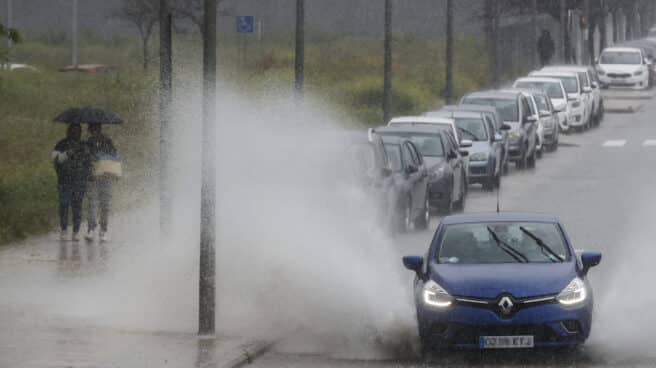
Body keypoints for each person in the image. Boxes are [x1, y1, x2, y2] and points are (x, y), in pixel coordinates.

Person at [52, 123, 90, 241]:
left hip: (79, 181)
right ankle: (64, 229)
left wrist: (88, 174)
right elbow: (55, 159)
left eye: (78, 131)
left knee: (77, 206)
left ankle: (76, 231)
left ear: (80, 132)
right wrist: (68, 153)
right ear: (68, 131)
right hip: (64, 180)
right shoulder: (61, 144)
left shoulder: (84, 145)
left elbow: (88, 162)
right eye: (73, 130)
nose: (75, 133)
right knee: (63, 205)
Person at [85, 124, 118, 242]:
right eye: (92, 129)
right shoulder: (88, 142)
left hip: (105, 177)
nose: (93, 131)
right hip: (93, 178)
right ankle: (92, 229)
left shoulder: (107, 141)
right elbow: (86, 159)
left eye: (95, 129)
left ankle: (102, 230)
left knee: (103, 205)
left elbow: (114, 156)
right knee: (93, 204)